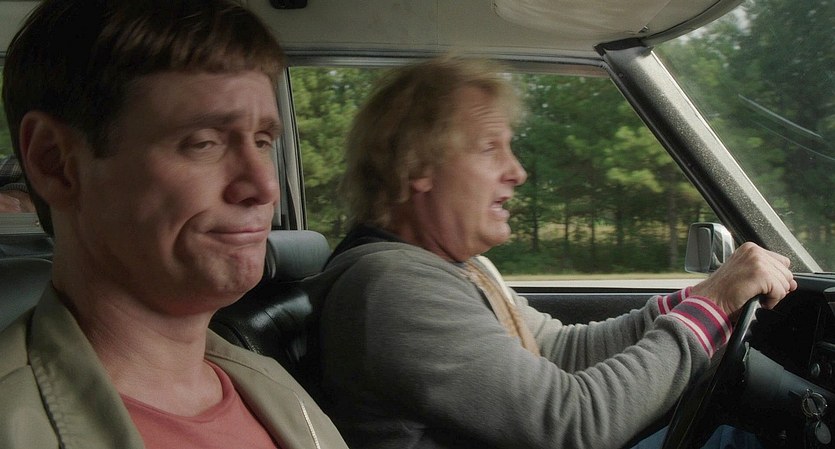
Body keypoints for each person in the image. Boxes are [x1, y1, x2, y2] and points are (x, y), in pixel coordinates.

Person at [303, 56, 797, 449]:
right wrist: (713, 306)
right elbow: (574, 423)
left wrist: (698, 299)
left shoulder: (459, 268)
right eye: (489, 147)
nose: (517, 172)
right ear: (416, 167)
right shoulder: (394, 287)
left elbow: (563, 351)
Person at [0, 1, 347, 448]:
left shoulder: (278, 389)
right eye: (204, 142)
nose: (264, 187)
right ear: (55, 163)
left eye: (262, 142)